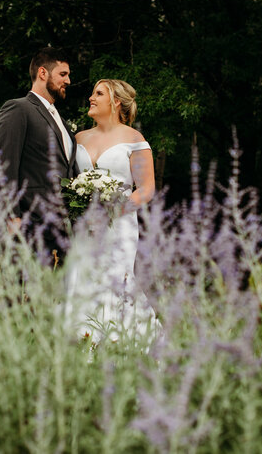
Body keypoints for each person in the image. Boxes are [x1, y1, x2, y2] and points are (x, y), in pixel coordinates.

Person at [64, 78, 159, 345]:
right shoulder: (79, 138)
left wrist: (115, 210)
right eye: (92, 94)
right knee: (81, 280)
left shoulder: (134, 139)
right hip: (86, 226)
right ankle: (83, 347)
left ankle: (120, 346)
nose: (91, 98)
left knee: (115, 281)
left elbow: (147, 189)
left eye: (98, 94)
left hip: (119, 226)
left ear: (116, 102)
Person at [0, 47, 78, 260]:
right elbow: (2, 166)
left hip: (61, 231)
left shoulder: (63, 122)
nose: (68, 81)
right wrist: (12, 217)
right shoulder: (18, 109)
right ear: (42, 73)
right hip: (30, 225)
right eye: (63, 74)